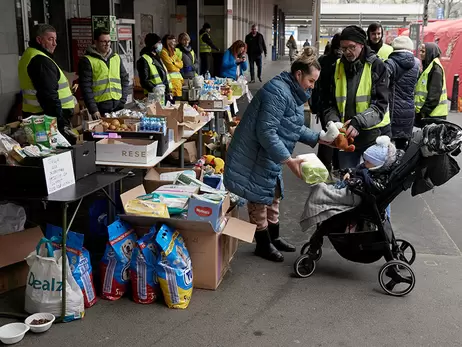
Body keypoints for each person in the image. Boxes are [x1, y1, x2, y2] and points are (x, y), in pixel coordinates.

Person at [224, 47, 338, 262]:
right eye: (311, 81)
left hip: (269, 154)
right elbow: (266, 132)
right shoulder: (277, 92)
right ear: (298, 75)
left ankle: (274, 238)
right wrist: (288, 160)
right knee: (258, 198)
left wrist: (319, 138)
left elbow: (292, 127)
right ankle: (263, 244)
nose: (312, 86)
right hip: (255, 153)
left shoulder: (292, 93)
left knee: (273, 195)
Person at [325, 25, 390, 169]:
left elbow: (380, 105)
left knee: (371, 182)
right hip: (346, 137)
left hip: (373, 137)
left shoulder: (377, 66)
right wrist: (333, 122)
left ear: (362, 45)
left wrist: (358, 122)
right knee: (347, 180)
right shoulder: (337, 66)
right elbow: (330, 103)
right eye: (343, 48)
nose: (347, 52)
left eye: (351, 47)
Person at [18, 24, 76, 141]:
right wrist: (59, 124)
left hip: (39, 116)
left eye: (55, 39)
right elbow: (48, 95)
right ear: (39, 40)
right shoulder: (40, 60)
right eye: (50, 39)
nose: (55, 43)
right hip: (47, 118)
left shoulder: (31, 55)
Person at [79, 28, 129, 118]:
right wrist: (93, 109)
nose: (107, 44)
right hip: (100, 108)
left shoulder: (116, 57)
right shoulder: (87, 60)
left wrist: (123, 99)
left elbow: (124, 79)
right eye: (104, 42)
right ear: (96, 42)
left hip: (118, 106)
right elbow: (86, 87)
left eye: (109, 41)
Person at [311, 33, 342, 173]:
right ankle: (335, 166)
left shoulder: (323, 60)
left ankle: (324, 168)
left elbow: (316, 86)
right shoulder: (341, 62)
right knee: (337, 135)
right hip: (334, 105)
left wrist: (315, 105)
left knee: (328, 134)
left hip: (325, 105)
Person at [384, 36, 420, 150]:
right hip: (409, 111)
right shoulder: (417, 64)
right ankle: (403, 167)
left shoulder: (390, 63)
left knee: (386, 148)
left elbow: (382, 84)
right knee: (402, 148)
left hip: (392, 112)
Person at [415, 42, 448, 125]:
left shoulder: (435, 69)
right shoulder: (430, 66)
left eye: (423, 51)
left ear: (430, 52)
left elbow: (434, 95)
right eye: (420, 51)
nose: (420, 54)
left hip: (434, 115)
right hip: (431, 113)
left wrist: (423, 112)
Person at [136, 33, 172, 103]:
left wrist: (168, 91)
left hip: (163, 94)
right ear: (152, 44)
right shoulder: (144, 60)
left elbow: (164, 76)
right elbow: (144, 80)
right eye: (158, 43)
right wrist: (155, 89)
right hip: (153, 95)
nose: (160, 45)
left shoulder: (158, 58)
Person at [159, 35, 183, 100]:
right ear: (168, 42)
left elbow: (181, 64)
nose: (174, 43)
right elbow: (171, 67)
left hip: (177, 84)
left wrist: (174, 63)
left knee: (177, 104)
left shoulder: (173, 52)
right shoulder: (164, 52)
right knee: (173, 105)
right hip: (171, 84)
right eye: (173, 41)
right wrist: (177, 67)